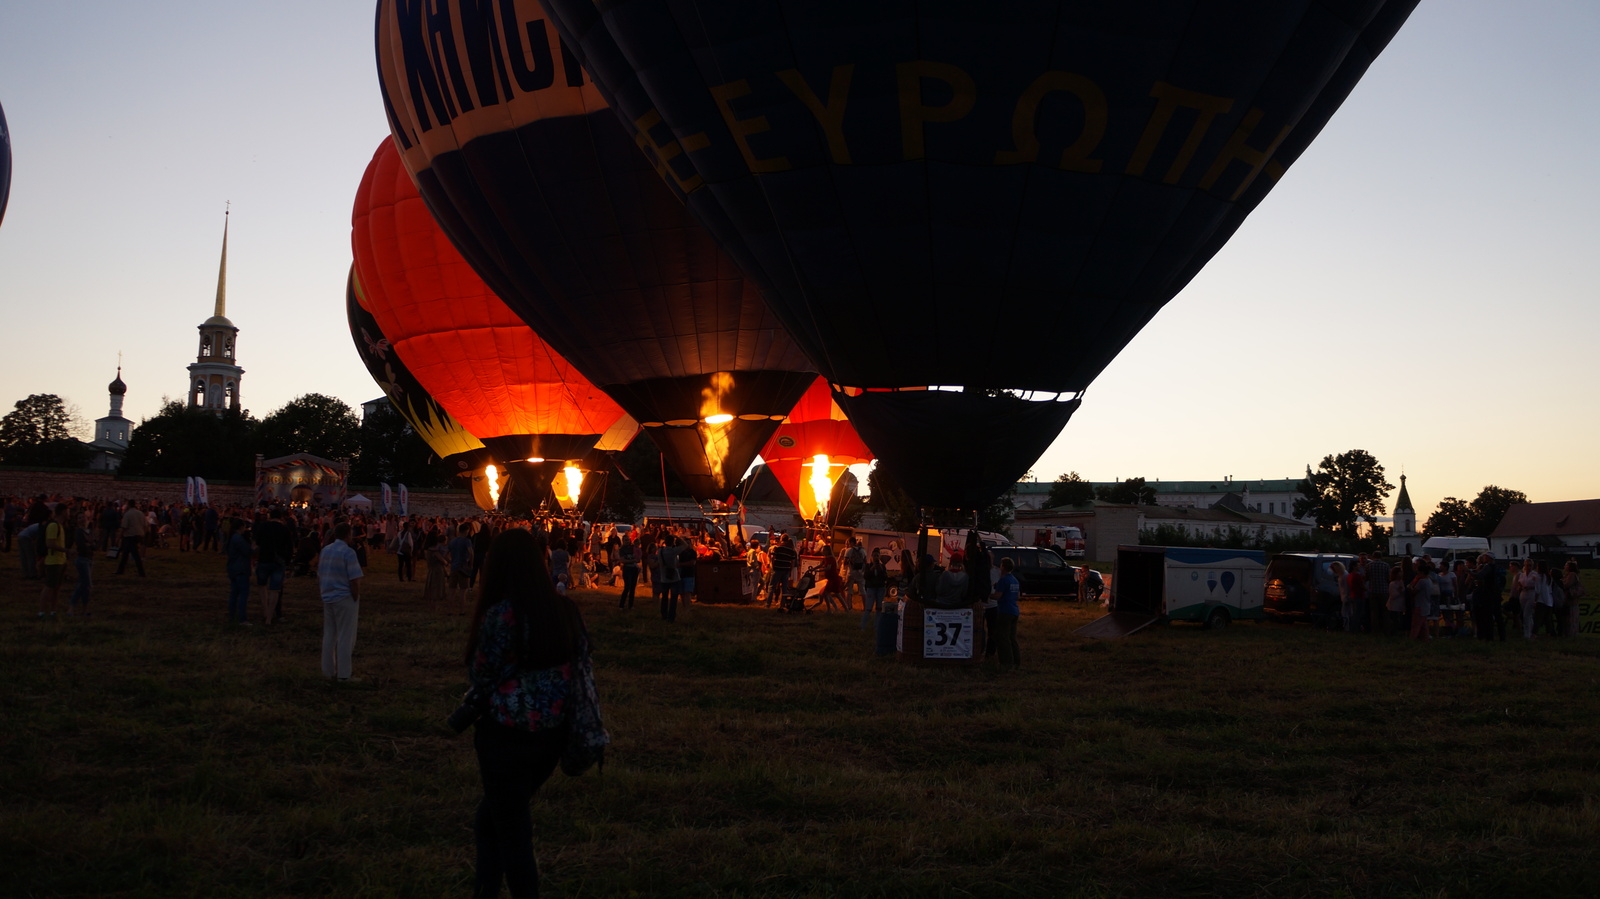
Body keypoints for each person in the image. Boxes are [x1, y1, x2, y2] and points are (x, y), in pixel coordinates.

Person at [464, 527, 595, 899]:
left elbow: (481, 672)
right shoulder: (566, 611)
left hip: (504, 737)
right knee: (492, 820)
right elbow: (582, 666)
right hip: (552, 738)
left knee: (513, 832)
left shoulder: (501, 614)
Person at [317, 522, 364, 681]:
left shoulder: (325, 550)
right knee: (345, 636)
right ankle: (344, 674)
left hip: (328, 596)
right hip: (344, 597)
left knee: (329, 634)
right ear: (348, 535)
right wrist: (355, 596)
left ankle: (328, 671)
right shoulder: (348, 552)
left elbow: (320, 573)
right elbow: (354, 579)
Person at [254, 507, 293, 624]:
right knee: (275, 590)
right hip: (278, 561)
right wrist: (287, 561)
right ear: (280, 517)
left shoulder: (263, 526)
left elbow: (258, 542)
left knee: (262, 586)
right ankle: (269, 618)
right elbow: (289, 548)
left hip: (264, 559)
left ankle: (265, 611)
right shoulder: (284, 529)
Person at [37, 503, 70, 619]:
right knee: (49, 586)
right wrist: (66, 550)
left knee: (57, 587)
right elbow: (50, 544)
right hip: (53, 561)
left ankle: (53, 610)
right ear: (63, 512)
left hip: (60, 560)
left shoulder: (60, 526)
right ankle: (41, 611)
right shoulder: (53, 526)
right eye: (68, 511)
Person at [991, 556, 1022, 670]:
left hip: (1005, 611)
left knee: (1002, 637)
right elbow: (1017, 595)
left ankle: (1006, 662)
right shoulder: (1014, 579)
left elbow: (998, 595)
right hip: (1014, 610)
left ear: (1003, 567)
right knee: (1012, 637)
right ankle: (1016, 660)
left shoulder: (1003, 580)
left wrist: (987, 596)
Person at [1470, 555, 1505, 642]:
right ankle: (1502, 637)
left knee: (1488, 616)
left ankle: (1489, 637)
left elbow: (1479, 576)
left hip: (1488, 594)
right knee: (1498, 616)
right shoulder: (1497, 568)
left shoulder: (1488, 567)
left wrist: (1469, 572)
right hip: (1496, 593)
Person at [226, 517, 253, 625]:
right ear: (241, 527)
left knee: (234, 594)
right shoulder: (239, 539)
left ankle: (232, 616)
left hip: (233, 568)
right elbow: (248, 552)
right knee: (243, 594)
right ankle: (242, 618)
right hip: (241, 568)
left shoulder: (232, 538)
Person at [68, 507, 95, 617]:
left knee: (84, 585)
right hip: (82, 559)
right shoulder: (79, 532)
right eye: (79, 518)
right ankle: (72, 607)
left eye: (83, 517)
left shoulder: (88, 531)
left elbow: (94, 545)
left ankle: (83, 609)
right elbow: (82, 546)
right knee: (85, 585)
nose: (82, 519)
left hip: (89, 559)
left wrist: (90, 545)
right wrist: (90, 545)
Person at [114, 499, 147, 577]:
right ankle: (120, 570)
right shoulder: (140, 513)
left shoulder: (128, 514)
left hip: (129, 536)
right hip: (138, 535)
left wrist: (118, 538)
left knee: (134, 555)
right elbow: (145, 525)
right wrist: (143, 535)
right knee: (125, 555)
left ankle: (141, 572)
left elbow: (124, 527)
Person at [448, 524, 476, 614]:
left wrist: (450, 561)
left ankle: (450, 610)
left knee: (452, 590)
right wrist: (471, 565)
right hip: (463, 567)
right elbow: (471, 553)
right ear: (467, 530)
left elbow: (445, 554)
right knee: (463, 591)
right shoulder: (466, 541)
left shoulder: (453, 541)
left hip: (453, 567)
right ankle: (462, 611)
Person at [861, 549, 888, 629]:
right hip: (871, 589)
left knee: (879, 608)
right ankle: (863, 626)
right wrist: (872, 569)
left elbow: (885, 577)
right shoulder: (868, 566)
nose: (876, 557)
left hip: (880, 588)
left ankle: (877, 626)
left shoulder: (882, 566)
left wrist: (881, 570)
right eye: (874, 556)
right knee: (868, 608)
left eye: (877, 556)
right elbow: (866, 576)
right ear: (871, 557)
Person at [658, 536, 682, 621]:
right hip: (674, 576)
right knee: (673, 598)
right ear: (672, 542)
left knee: (664, 597)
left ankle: (664, 615)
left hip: (664, 577)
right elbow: (685, 545)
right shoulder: (673, 551)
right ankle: (671, 616)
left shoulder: (660, 551)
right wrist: (678, 537)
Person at [617, 533, 640, 609]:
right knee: (627, 587)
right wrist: (633, 560)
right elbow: (622, 560)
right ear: (623, 541)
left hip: (634, 568)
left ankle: (631, 605)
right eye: (626, 540)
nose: (627, 541)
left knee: (633, 588)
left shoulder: (632, 548)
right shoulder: (622, 549)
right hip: (627, 569)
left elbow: (638, 556)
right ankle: (621, 605)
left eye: (628, 540)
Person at [1561, 561, 1584, 637]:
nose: (1564, 567)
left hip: (1571, 600)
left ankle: (1571, 634)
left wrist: (1561, 582)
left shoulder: (1572, 575)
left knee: (1571, 618)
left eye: (1566, 565)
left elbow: (1567, 585)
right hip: (1570, 600)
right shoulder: (1569, 575)